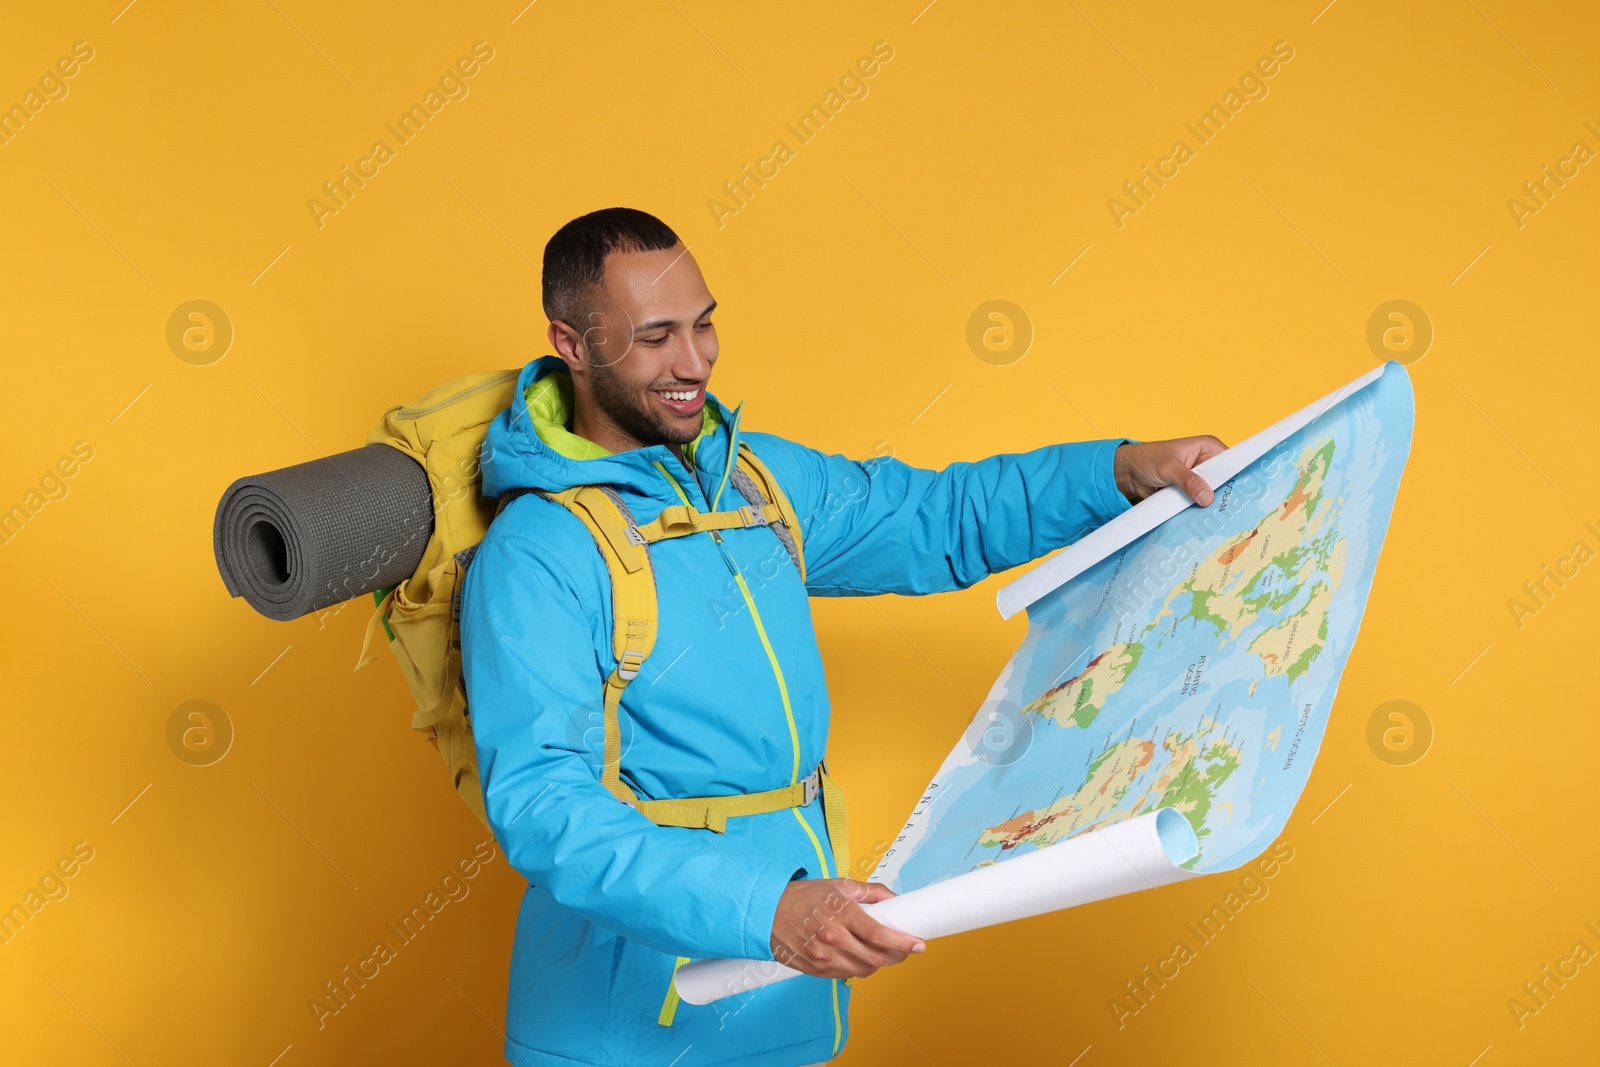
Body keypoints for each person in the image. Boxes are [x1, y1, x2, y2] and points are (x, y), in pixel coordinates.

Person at [459, 207, 1225, 1067]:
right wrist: (769, 908)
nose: (694, 362)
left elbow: (936, 515)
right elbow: (545, 811)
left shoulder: (752, 483)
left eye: (705, 323)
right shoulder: (536, 555)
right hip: (626, 1032)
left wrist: (1117, 473)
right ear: (571, 342)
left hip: (785, 1008)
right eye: (655, 337)